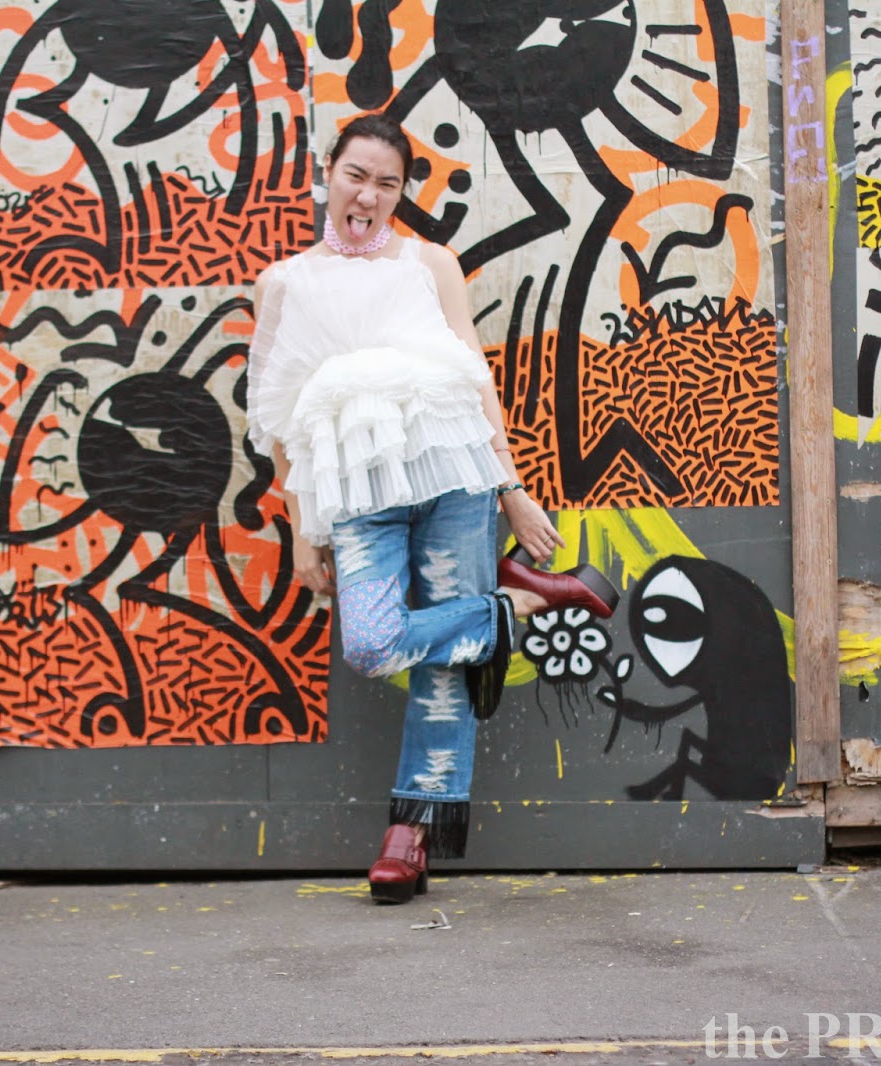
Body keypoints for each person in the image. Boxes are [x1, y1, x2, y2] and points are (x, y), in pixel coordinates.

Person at [246, 111, 618, 904]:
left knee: (443, 666)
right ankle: (513, 607)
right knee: (372, 643)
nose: (368, 196)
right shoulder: (284, 284)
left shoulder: (431, 264)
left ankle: (409, 835)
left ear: (401, 192)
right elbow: (279, 418)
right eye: (356, 176)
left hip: (454, 482)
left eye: (387, 183)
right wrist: (303, 528)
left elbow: (474, 379)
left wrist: (511, 491)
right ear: (327, 172)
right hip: (361, 498)